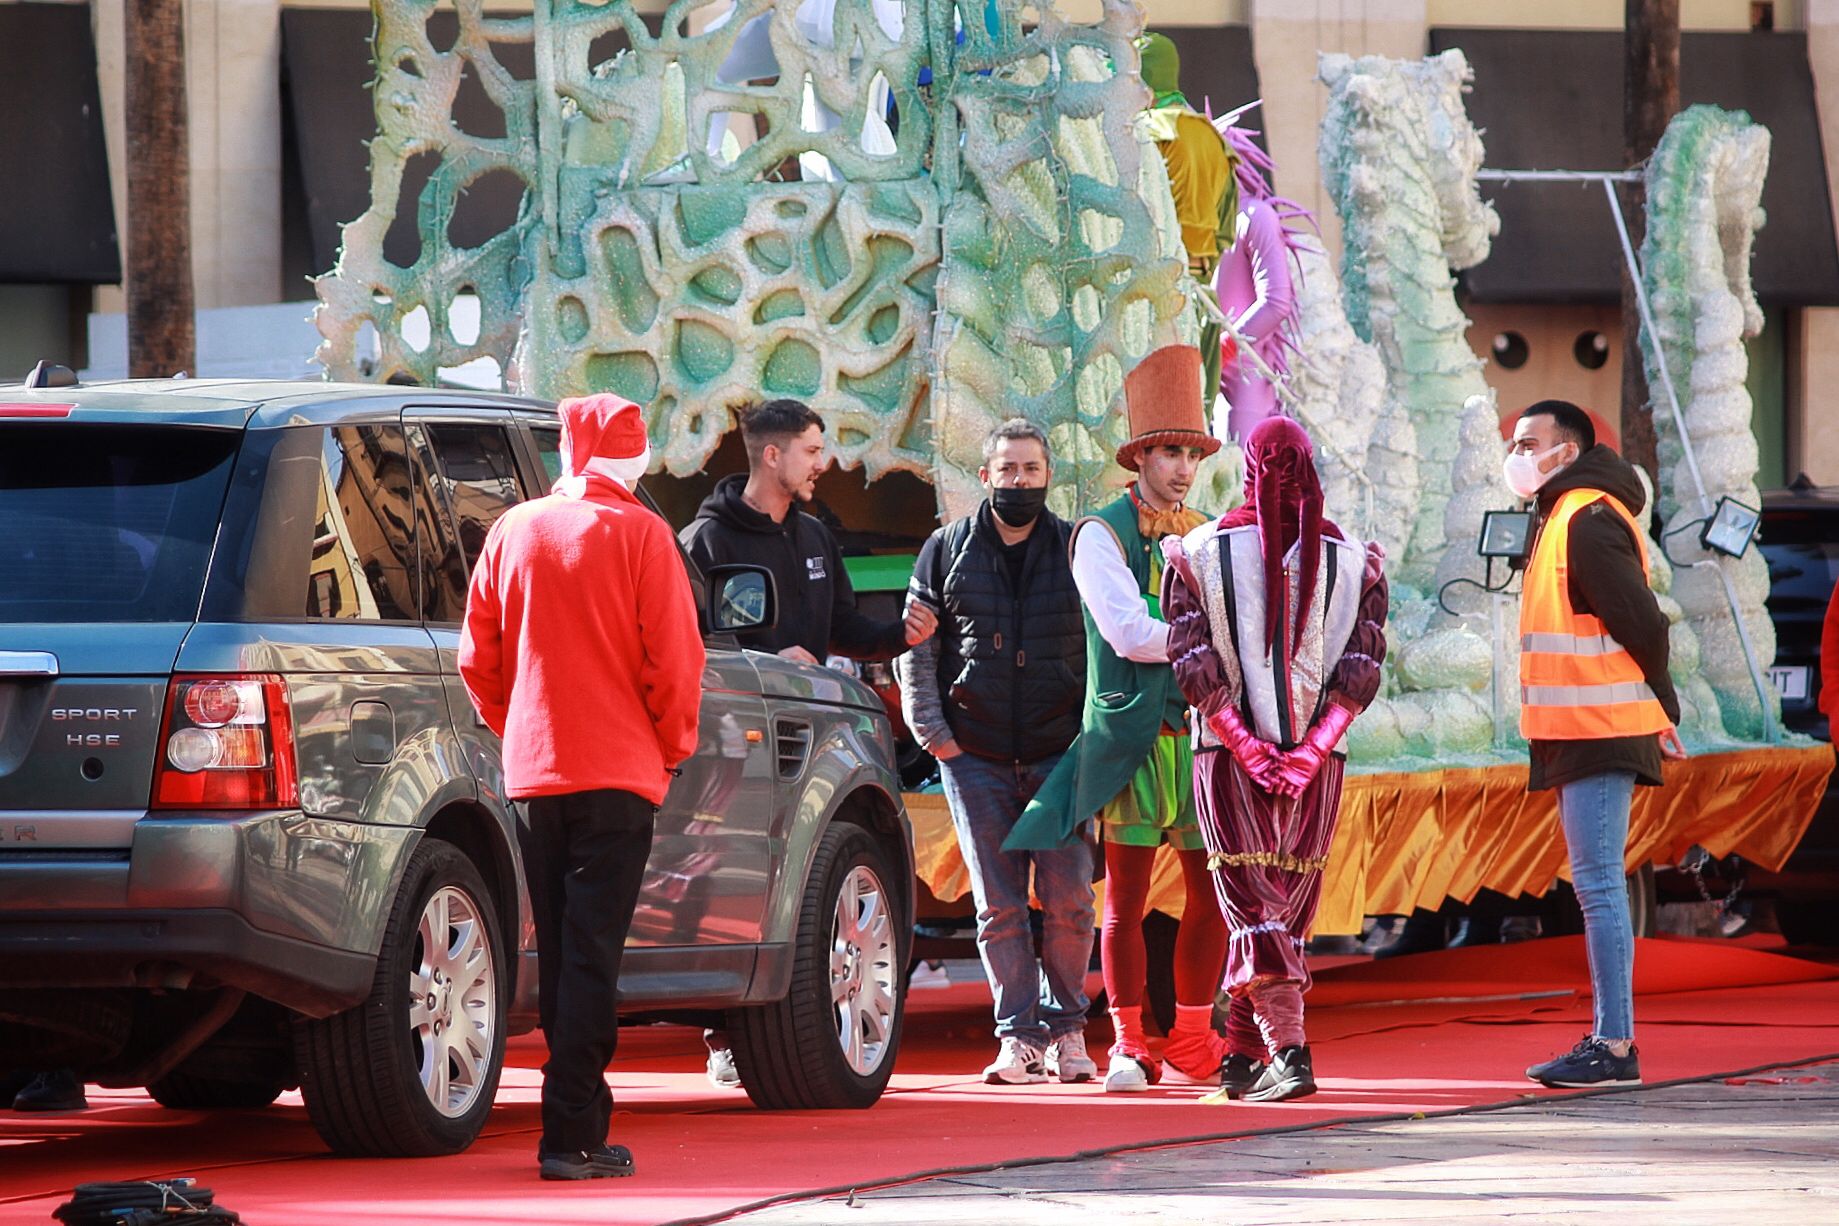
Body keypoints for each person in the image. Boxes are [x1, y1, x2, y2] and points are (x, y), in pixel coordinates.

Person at [460, 392, 704, 1181]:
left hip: (536, 770)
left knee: (561, 947)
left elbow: (480, 657)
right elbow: (675, 662)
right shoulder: (642, 533)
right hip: (619, 771)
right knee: (593, 954)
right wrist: (668, 751)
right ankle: (571, 1133)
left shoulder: (513, 528)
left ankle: (568, 1123)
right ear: (631, 456)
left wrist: (516, 730)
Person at [680, 397, 936, 1088]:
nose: (823, 464)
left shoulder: (816, 536)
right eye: (812, 451)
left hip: (810, 739)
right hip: (729, 741)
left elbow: (844, 627)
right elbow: (688, 646)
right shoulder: (703, 543)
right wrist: (766, 660)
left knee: (805, 881)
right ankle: (722, 1033)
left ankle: (787, 1019)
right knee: (727, 877)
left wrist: (897, 637)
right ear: (773, 454)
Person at [1008, 344, 1231, 1095]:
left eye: (1190, 454)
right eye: (1168, 452)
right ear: (1138, 456)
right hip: (1132, 739)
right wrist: (1208, 638)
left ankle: (1195, 1038)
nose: (1180, 468)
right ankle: (1130, 1045)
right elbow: (1127, 635)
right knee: (1126, 899)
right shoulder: (1097, 533)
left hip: (1199, 739)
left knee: (1211, 895)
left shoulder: (1207, 529)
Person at [1163, 415, 1389, 1103]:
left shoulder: (1198, 551)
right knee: (1283, 907)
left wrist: (1246, 744)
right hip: (1319, 766)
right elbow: (1363, 659)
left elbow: (1188, 653)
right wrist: (1309, 750)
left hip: (1229, 760)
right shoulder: (1355, 559)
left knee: (1252, 906)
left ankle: (1289, 1054)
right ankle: (1239, 1056)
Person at [895, 419, 1097, 1085]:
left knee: (1068, 902)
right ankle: (1018, 1039)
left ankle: (1068, 1031)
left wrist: (1091, 739)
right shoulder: (945, 548)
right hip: (973, 756)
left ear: (1048, 476)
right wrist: (935, 737)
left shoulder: (1075, 548)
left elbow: (1104, 644)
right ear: (984, 477)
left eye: (1029, 470)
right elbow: (916, 646)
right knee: (998, 907)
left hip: (1059, 757)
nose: (1018, 481)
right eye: (1006, 470)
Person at [1505, 399, 1687, 1089]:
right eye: (1515, 442)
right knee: (1596, 887)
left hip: (1599, 728)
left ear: (1569, 448)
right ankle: (1610, 1042)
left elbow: (1643, 621)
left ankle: (1613, 1048)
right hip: (1580, 728)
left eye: (1530, 441)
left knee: (1600, 889)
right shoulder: (1563, 514)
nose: (1517, 453)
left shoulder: (1584, 517)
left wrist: (1658, 701)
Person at [1139, 32, 1237, 406]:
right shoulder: (1214, 138)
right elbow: (1226, 227)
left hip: (1153, 298)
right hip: (1203, 296)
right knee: (1198, 418)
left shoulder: (1146, 134)